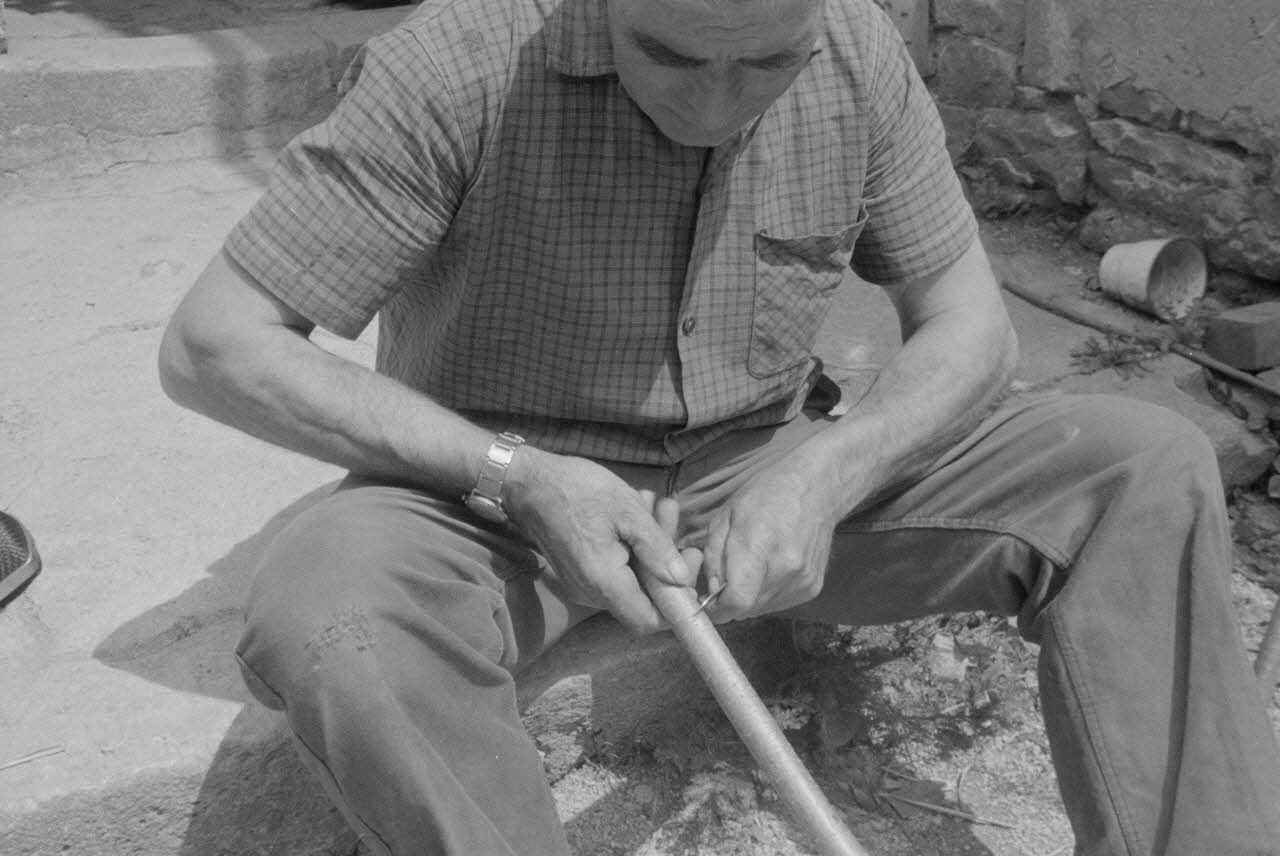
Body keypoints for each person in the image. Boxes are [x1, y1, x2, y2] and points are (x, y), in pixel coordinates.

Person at [157, 0, 1280, 851]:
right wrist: (519, 472)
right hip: (491, 497)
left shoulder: (854, 50)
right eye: (672, 56)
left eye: (762, 63)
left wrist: (830, 473)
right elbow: (215, 343)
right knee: (332, 616)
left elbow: (969, 327)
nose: (711, 103)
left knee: (1144, 462)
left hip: (764, 461)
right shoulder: (458, 60)